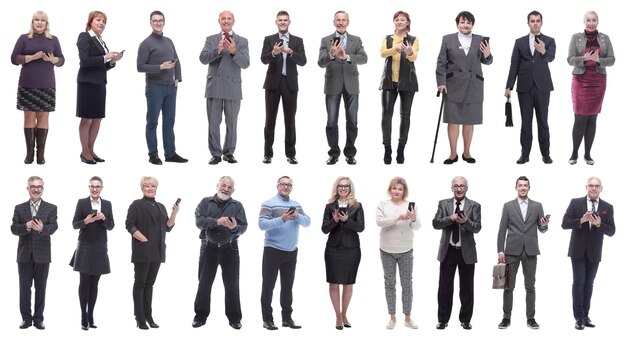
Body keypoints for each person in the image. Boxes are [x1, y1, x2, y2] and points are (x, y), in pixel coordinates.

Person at [436, 11, 492, 164]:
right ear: (457, 24)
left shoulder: (480, 39)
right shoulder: (447, 39)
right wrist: (441, 83)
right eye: (462, 22)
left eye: (468, 22)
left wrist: (487, 55)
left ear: (472, 24)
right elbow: (441, 63)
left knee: (469, 120)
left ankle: (467, 152)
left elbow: (487, 61)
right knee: (453, 120)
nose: (465, 25)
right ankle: (453, 154)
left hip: (474, 84)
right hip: (453, 85)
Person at [192, 176, 247, 330]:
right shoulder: (205, 202)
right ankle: (200, 316)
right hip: (208, 247)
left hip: (230, 248)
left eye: (229, 187)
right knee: (204, 283)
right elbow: (199, 222)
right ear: (217, 185)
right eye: (223, 185)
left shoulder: (238, 206)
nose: (226, 189)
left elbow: (244, 227)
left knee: (232, 285)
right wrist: (216, 221)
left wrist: (234, 227)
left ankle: (234, 318)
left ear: (233, 190)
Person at [10, 11, 64, 165]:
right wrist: (31, 58)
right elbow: (14, 58)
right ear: (32, 22)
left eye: (43, 20)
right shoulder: (24, 38)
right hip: (28, 83)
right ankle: (29, 154)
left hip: (47, 84)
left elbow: (62, 60)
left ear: (47, 23)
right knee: (28, 117)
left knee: (43, 117)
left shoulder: (53, 40)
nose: (39, 23)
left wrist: (54, 60)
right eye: (36, 20)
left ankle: (40, 154)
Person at [562, 176, 615, 330]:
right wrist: (581, 220)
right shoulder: (575, 202)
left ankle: (585, 315)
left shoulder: (607, 207)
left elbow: (611, 231)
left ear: (601, 189)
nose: (593, 188)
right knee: (578, 283)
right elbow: (564, 223)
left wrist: (599, 224)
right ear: (586, 187)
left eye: (596, 186)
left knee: (589, 284)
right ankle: (578, 318)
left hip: (594, 252)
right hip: (577, 251)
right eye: (591, 185)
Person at [125, 176, 179, 329]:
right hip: (143, 250)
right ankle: (139, 317)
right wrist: (143, 239)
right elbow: (129, 225)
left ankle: (148, 315)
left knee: (150, 285)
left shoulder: (161, 206)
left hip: (158, 251)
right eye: (147, 186)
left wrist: (174, 213)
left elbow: (168, 227)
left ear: (156, 188)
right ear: (142, 188)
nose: (150, 188)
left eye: (153, 186)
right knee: (140, 283)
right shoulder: (136, 205)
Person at [496, 176, 549, 329]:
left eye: (525, 185)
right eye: (520, 185)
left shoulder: (537, 206)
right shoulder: (508, 206)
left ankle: (531, 318)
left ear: (529, 188)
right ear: (516, 187)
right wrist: (500, 250)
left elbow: (542, 228)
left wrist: (544, 225)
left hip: (531, 251)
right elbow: (502, 230)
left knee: (530, 286)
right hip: (511, 251)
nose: (523, 188)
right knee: (508, 286)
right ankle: (506, 318)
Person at [259, 176, 311, 330]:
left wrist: (297, 216)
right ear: (277, 186)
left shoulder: (296, 205)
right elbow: (262, 224)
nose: (286, 187)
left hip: (291, 251)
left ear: (291, 188)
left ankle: (287, 319)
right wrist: (282, 219)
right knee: (268, 286)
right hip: (272, 250)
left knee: (287, 287)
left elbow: (307, 222)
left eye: (289, 185)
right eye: (283, 184)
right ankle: (267, 319)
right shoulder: (269, 203)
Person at [200, 10, 250, 165]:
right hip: (214, 85)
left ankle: (229, 152)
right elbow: (202, 59)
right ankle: (215, 154)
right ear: (219, 21)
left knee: (232, 122)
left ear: (233, 21)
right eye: (223, 18)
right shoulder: (211, 39)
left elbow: (246, 63)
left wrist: (234, 52)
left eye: (229, 18)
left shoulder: (242, 41)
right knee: (213, 122)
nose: (226, 21)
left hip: (233, 87)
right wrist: (217, 50)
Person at [137, 10, 188, 165]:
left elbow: (177, 60)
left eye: (160, 20)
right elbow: (140, 67)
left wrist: (178, 78)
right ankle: (153, 154)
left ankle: (170, 153)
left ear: (164, 22)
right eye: (155, 20)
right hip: (154, 87)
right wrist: (160, 66)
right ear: (150, 23)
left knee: (169, 121)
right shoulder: (146, 43)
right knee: (152, 122)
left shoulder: (169, 41)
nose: (158, 23)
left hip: (171, 87)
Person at [505, 11, 555, 165]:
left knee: (543, 122)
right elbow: (514, 64)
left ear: (541, 22)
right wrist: (509, 86)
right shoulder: (519, 42)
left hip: (543, 87)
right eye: (532, 21)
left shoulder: (549, 40)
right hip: (524, 87)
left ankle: (545, 154)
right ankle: (524, 154)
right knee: (526, 122)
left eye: (537, 21)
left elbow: (551, 57)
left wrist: (543, 51)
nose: (535, 23)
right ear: (528, 23)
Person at [318, 11, 368, 165]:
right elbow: (320, 62)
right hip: (332, 84)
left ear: (348, 22)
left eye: (343, 20)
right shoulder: (326, 40)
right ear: (334, 22)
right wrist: (331, 55)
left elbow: (364, 58)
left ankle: (350, 153)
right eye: (338, 20)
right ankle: (333, 153)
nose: (340, 22)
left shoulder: (356, 40)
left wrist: (346, 57)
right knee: (331, 121)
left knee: (352, 121)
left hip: (351, 85)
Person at [566, 11, 615, 166]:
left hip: (598, 81)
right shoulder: (576, 37)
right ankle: (574, 153)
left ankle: (587, 154)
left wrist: (599, 59)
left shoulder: (605, 38)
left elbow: (612, 59)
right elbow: (570, 59)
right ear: (584, 21)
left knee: (593, 118)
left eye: (594, 20)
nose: (591, 23)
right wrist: (585, 58)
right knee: (580, 118)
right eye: (588, 20)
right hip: (580, 80)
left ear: (598, 21)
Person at [432, 176, 481, 330]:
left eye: (462, 186)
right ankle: (442, 320)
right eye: (456, 186)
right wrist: (451, 218)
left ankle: (465, 320)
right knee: (445, 287)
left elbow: (478, 227)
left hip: (466, 252)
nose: (459, 188)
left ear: (467, 188)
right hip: (448, 251)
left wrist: (465, 222)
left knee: (467, 288)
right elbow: (435, 223)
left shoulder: (475, 206)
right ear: (451, 188)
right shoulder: (443, 204)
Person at [11, 176, 58, 330]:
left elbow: (54, 227)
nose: (36, 189)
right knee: (24, 289)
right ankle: (26, 319)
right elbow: (13, 229)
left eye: (39, 187)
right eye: (33, 187)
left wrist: (42, 229)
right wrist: (26, 226)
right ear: (28, 189)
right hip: (24, 255)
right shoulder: (19, 208)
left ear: (43, 189)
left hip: (43, 255)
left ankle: (38, 319)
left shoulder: (51, 208)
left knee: (41, 288)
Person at [76, 10, 124, 164]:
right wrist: (106, 57)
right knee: (87, 119)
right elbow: (85, 61)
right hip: (87, 83)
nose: (101, 23)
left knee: (97, 119)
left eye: (104, 21)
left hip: (100, 83)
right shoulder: (85, 36)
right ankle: (84, 152)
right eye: (98, 20)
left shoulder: (100, 40)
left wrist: (113, 61)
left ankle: (91, 150)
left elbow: (102, 65)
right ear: (90, 22)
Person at [261, 10, 307, 165]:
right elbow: (263, 59)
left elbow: (303, 61)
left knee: (290, 120)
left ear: (289, 22)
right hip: (272, 84)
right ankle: (268, 154)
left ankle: (291, 154)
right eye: (280, 20)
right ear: (276, 22)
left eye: (285, 20)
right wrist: (274, 53)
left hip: (290, 84)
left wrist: (291, 52)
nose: (282, 22)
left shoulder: (297, 41)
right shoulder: (269, 39)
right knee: (270, 120)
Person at [69, 176, 115, 330]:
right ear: (88, 187)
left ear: (101, 188)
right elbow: (75, 224)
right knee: (84, 282)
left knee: (95, 283)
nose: (94, 189)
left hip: (100, 247)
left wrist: (104, 219)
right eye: (92, 186)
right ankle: (83, 315)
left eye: (97, 186)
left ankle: (91, 315)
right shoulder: (82, 202)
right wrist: (86, 221)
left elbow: (111, 226)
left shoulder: (107, 204)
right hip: (85, 247)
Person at [375, 177, 420, 329]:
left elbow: (417, 226)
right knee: (390, 284)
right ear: (390, 189)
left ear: (404, 191)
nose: (397, 191)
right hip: (387, 249)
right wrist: (397, 218)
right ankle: (392, 317)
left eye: (400, 189)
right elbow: (379, 222)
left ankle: (407, 318)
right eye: (394, 188)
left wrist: (413, 219)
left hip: (406, 250)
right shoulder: (382, 204)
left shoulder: (410, 206)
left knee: (407, 284)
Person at [321, 176, 364, 330]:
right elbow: (324, 229)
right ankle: (338, 316)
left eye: (346, 186)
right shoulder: (329, 206)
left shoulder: (357, 206)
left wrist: (347, 220)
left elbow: (360, 227)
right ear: (336, 188)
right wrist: (335, 221)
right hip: (333, 248)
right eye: (340, 186)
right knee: (333, 283)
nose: (343, 188)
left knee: (348, 283)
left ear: (350, 188)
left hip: (352, 248)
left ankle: (344, 314)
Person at [379, 11, 419, 164]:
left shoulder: (413, 39)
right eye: (397, 19)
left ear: (408, 22)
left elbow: (413, 57)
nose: (399, 21)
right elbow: (382, 54)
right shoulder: (388, 39)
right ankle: (387, 148)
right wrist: (394, 49)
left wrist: (409, 52)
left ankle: (401, 149)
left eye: (403, 19)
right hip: (389, 81)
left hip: (407, 82)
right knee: (386, 115)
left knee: (405, 115)